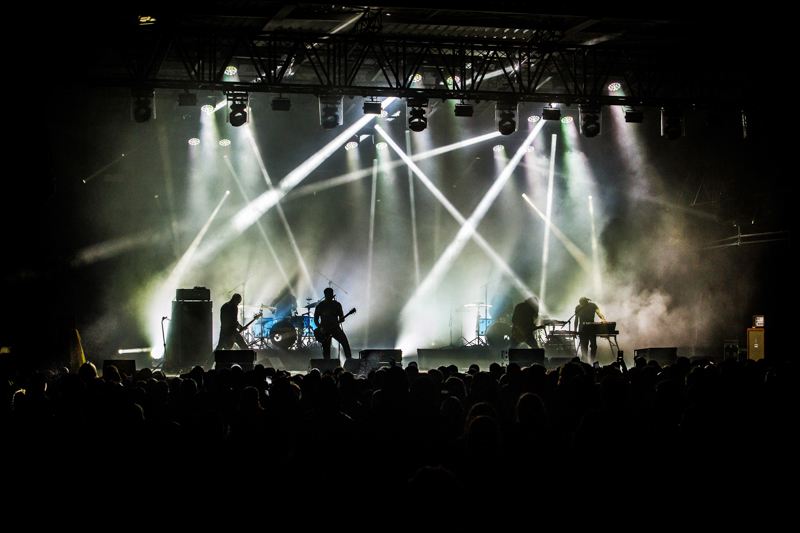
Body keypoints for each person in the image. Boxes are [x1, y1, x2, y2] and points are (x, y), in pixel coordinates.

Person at [313, 287, 352, 359]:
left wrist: (341, 319)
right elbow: (315, 319)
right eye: (329, 295)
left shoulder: (337, 305)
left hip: (335, 328)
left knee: (345, 343)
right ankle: (327, 362)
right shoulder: (320, 306)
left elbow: (342, 317)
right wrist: (320, 328)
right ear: (326, 295)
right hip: (324, 329)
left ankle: (349, 360)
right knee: (326, 348)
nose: (330, 297)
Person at [575, 297, 607, 363]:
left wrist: (603, 319)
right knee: (584, 346)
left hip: (591, 328)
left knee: (593, 346)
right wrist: (575, 330)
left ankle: (592, 361)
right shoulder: (578, 307)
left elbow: (598, 313)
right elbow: (576, 319)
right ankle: (585, 361)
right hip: (582, 329)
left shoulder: (593, 306)